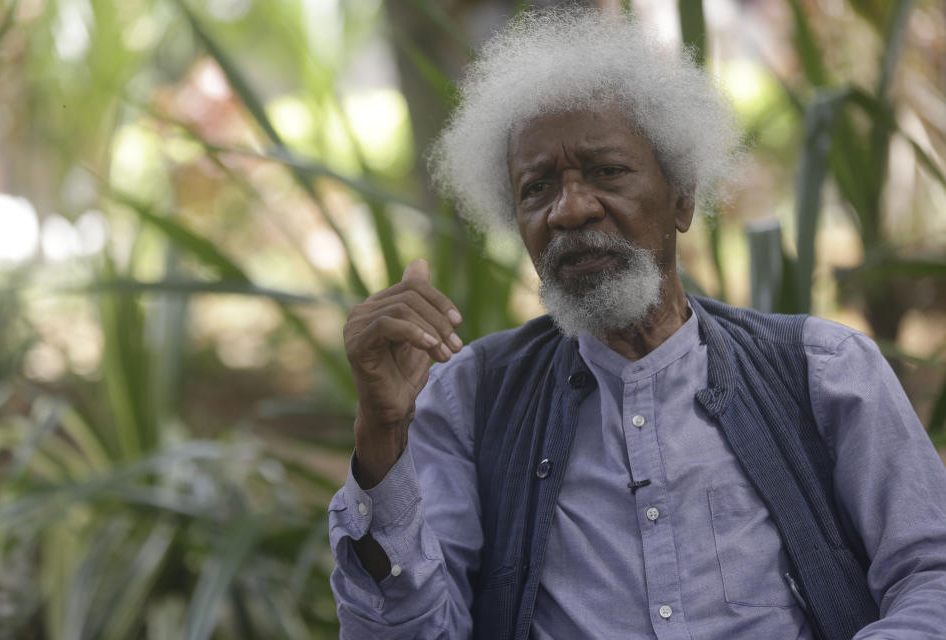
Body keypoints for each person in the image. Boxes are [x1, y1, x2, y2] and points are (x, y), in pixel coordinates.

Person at [328, 8, 946, 640]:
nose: (571, 209)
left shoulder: (823, 370)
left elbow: (933, 576)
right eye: (537, 187)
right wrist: (381, 433)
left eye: (606, 172)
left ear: (681, 196)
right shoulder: (471, 397)